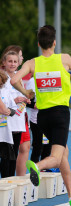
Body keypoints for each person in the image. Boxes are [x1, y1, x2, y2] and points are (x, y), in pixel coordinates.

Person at [11, 25, 71, 206]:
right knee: (55, 157)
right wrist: (69, 75)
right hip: (60, 115)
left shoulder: (33, 63)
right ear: (54, 43)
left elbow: (15, 80)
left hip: (42, 117)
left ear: (39, 44)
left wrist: (26, 92)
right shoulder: (65, 59)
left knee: (63, 153)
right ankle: (36, 167)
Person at [1, 45, 31, 176]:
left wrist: (25, 100)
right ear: (4, 62)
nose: (12, 64)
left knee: (14, 154)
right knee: (6, 155)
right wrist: (16, 100)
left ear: (19, 63)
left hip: (18, 121)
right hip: (6, 122)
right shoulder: (2, 78)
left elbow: (20, 98)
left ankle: (11, 184)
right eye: (10, 61)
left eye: (15, 61)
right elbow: (3, 100)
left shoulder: (19, 78)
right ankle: (4, 184)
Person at [26, 77, 51, 162]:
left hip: (50, 120)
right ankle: (34, 172)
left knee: (48, 147)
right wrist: (35, 105)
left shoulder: (52, 79)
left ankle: (45, 171)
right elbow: (27, 101)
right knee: (38, 147)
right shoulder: (32, 81)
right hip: (36, 120)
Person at [0, 69, 17, 178]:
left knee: (5, 157)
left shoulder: (5, 92)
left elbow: (14, 109)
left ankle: (5, 183)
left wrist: (9, 111)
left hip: (4, 130)